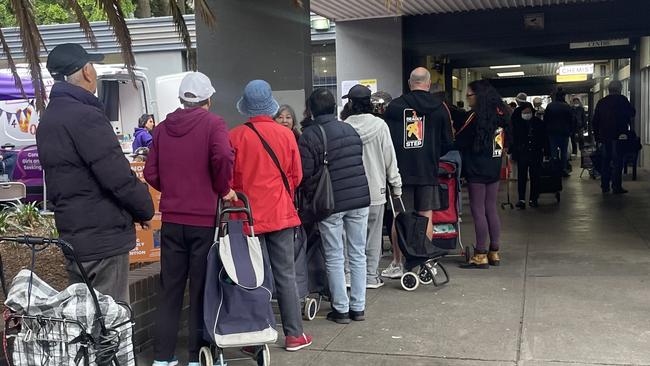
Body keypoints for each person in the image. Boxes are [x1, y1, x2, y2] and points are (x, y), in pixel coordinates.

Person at [36, 43, 154, 302]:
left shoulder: (49, 119)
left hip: (74, 237)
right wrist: (145, 209)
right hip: (103, 239)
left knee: (86, 320)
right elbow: (117, 176)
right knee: (110, 326)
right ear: (87, 72)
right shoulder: (86, 116)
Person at [144, 72, 235, 366]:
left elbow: (150, 173)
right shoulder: (214, 124)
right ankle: (197, 355)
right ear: (208, 99)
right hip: (203, 219)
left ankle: (162, 356)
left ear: (182, 99)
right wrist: (222, 188)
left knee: (170, 287)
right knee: (201, 286)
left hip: (172, 219)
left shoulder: (161, 128)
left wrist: (171, 187)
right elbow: (222, 156)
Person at [229, 80, 312, 351]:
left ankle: (255, 337)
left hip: (247, 217)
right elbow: (296, 176)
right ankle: (294, 335)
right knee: (285, 274)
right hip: (280, 213)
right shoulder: (286, 135)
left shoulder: (235, 137)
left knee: (252, 275)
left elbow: (229, 180)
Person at [299, 88, 370, 324]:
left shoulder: (310, 135)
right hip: (359, 198)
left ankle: (340, 309)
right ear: (333, 108)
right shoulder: (350, 129)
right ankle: (358, 307)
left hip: (331, 203)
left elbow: (305, 174)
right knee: (358, 253)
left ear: (311, 110)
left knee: (334, 255)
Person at [382, 67, 453, 279]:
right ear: (428, 83)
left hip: (400, 173)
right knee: (426, 215)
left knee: (399, 217)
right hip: (427, 170)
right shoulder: (440, 108)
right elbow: (449, 142)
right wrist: (431, 153)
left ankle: (397, 263)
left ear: (409, 82)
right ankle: (426, 262)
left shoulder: (394, 107)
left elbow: (387, 141)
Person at [342, 84, 402, 289]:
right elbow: (389, 157)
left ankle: (350, 275)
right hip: (376, 189)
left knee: (349, 235)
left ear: (350, 103)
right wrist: (396, 184)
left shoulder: (344, 127)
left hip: (349, 190)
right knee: (374, 235)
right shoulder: (380, 126)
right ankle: (370, 276)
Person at [455, 80, 509, 269]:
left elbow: (459, 140)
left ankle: (480, 254)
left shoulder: (474, 117)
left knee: (478, 209)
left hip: (477, 168)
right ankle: (494, 251)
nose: (467, 98)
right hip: (494, 167)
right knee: (490, 208)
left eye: (469, 95)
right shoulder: (502, 114)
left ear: (478, 96)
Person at [592, 80, 635, 194]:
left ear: (609, 89)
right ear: (620, 89)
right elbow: (632, 113)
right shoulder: (623, 100)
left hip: (605, 137)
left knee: (605, 162)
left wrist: (597, 137)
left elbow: (595, 121)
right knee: (618, 162)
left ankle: (605, 186)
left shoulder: (602, 102)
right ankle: (616, 186)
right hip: (619, 136)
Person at [511, 102, 547, 209]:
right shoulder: (517, 124)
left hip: (536, 153)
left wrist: (546, 152)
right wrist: (513, 153)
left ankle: (533, 199)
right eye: (524, 112)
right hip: (522, 154)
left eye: (529, 112)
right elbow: (514, 140)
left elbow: (544, 138)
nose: (527, 114)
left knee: (535, 177)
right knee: (521, 177)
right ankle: (521, 199)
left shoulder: (538, 123)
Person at [544, 88, 573, 177]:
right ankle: (563, 169)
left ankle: (554, 169)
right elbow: (571, 120)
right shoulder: (567, 106)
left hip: (552, 133)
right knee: (564, 152)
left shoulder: (550, 106)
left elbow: (546, 119)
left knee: (554, 152)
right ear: (563, 96)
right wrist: (570, 130)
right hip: (564, 132)